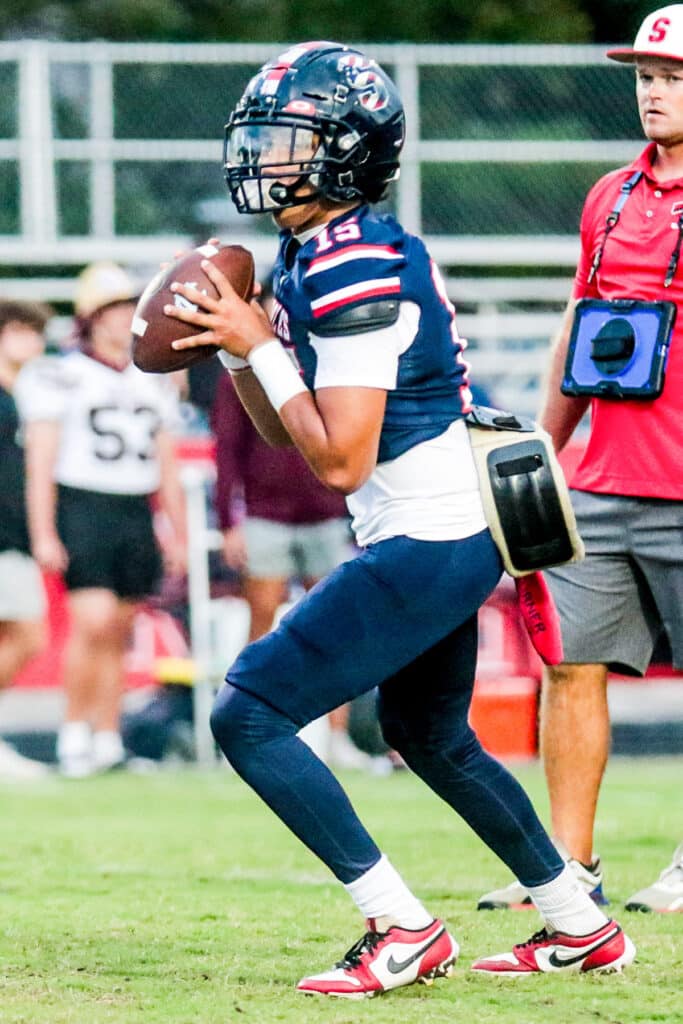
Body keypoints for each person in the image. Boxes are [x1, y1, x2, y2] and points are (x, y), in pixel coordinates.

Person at [162, 42, 635, 994]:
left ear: (346, 151)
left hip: (431, 534)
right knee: (427, 735)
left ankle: (400, 925)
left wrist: (265, 344)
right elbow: (287, 431)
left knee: (248, 711)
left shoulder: (357, 264)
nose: (267, 160)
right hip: (431, 531)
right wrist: (239, 347)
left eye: (287, 142)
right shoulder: (320, 250)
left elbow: (338, 455)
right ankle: (580, 925)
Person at [478, 4, 683, 917]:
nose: (653, 90)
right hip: (600, 480)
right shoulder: (608, 194)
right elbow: (580, 327)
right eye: (645, 75)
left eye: (673, 77)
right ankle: (567, 872)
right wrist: (542, 452)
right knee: (569, 666)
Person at [15, 262, 187, 778]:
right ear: (90, 317)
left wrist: (176, 529)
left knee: (120, 628)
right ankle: (73, 733)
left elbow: (167, 462)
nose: (122, 320)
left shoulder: (152, 376)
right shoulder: (60, 373)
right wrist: (44, 529)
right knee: (90, 623)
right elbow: (41, 460)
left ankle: (108, 735)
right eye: (113, 310)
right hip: (84, 503)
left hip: (134, 506)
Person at [211, 289, 374, 771]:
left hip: (324, 511)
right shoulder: (243, 365)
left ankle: (338, 735)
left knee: (333, 629)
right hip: (266, 513)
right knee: (262, 628)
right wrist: (228, 520)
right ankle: (245, 730)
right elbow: (228, 446)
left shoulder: (321, 353)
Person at [0, 300, 52, 780]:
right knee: (29, 634)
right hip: (3, 539)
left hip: (11, 535)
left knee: (23, 635)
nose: (33, 342)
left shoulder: (17, 394)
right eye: (23, 330)